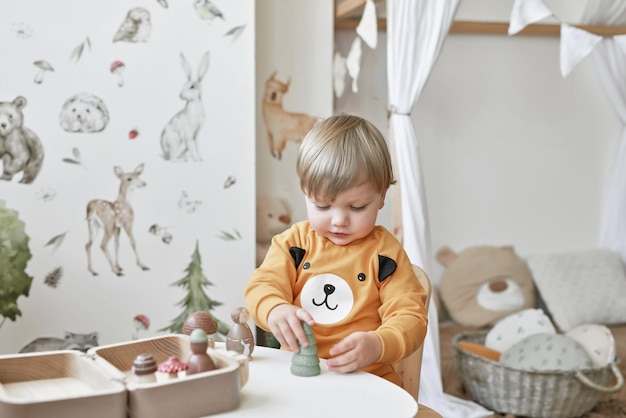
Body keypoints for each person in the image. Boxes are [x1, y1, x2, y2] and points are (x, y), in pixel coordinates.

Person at [244, 114, 428, 387]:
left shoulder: (385, 254)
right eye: (322, 206)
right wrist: (275, 309)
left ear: (381, 198)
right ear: (305, 192)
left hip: (368, 380)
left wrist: (378, 344)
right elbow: (261, 286)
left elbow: (410, 317)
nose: (339, 219)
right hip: (297, 376)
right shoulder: (293, 244)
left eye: (356, 208)